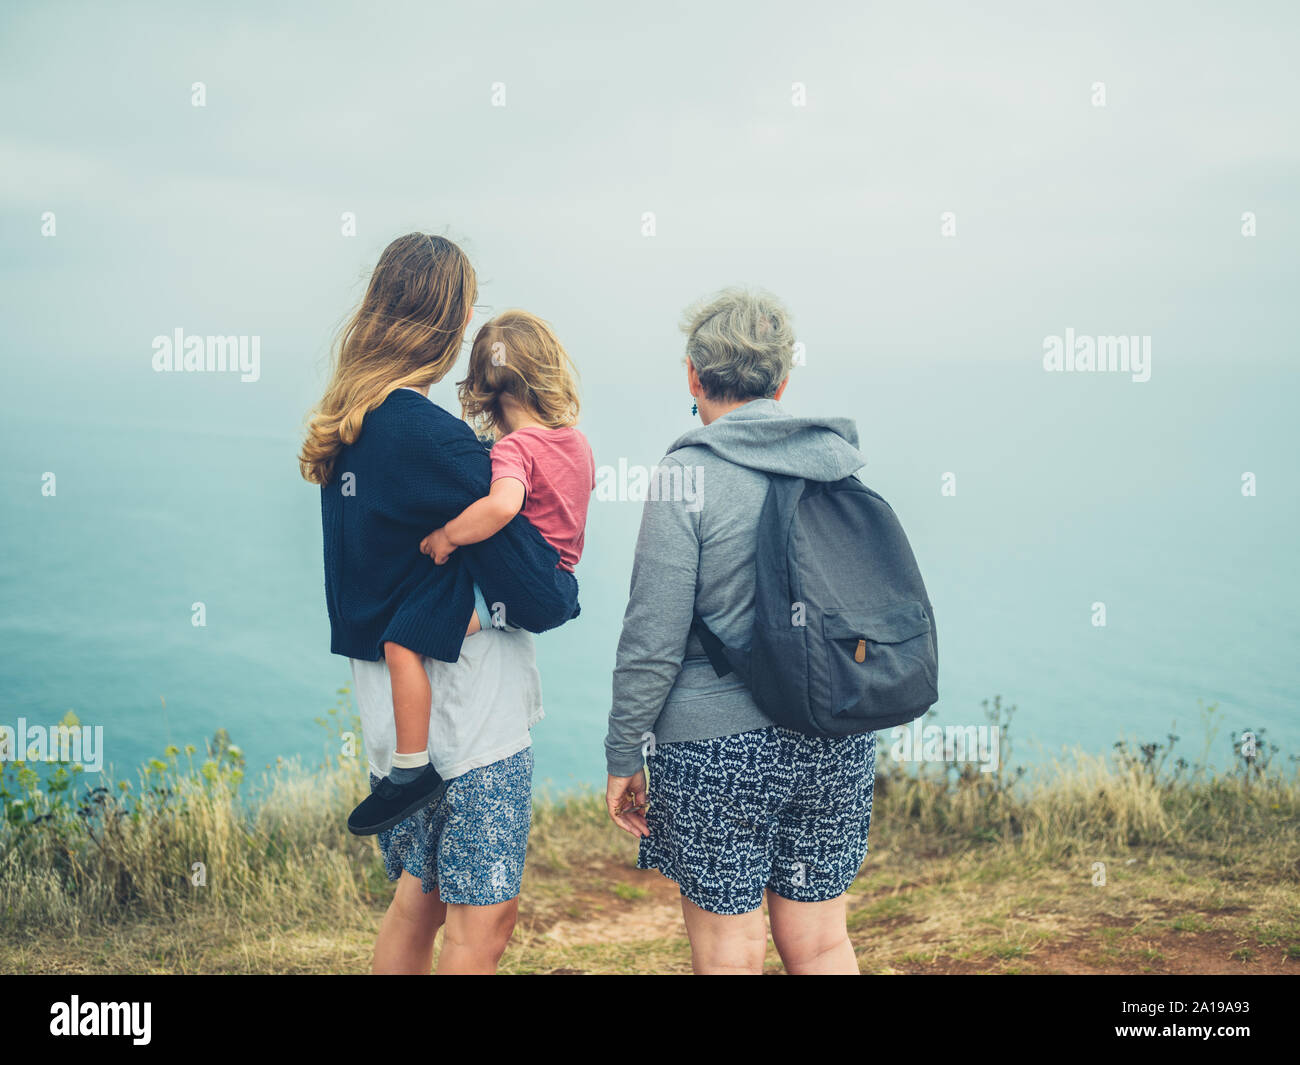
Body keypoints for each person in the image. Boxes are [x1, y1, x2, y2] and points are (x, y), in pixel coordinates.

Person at [604, 287, 876, 975]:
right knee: (821, 942)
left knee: (731, 950)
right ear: (783, 381)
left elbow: (652, 639)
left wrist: (621, 754)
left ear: (694, 375)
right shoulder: (835, 463)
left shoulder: (684, 476)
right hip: (833, 734)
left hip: (717, 748)